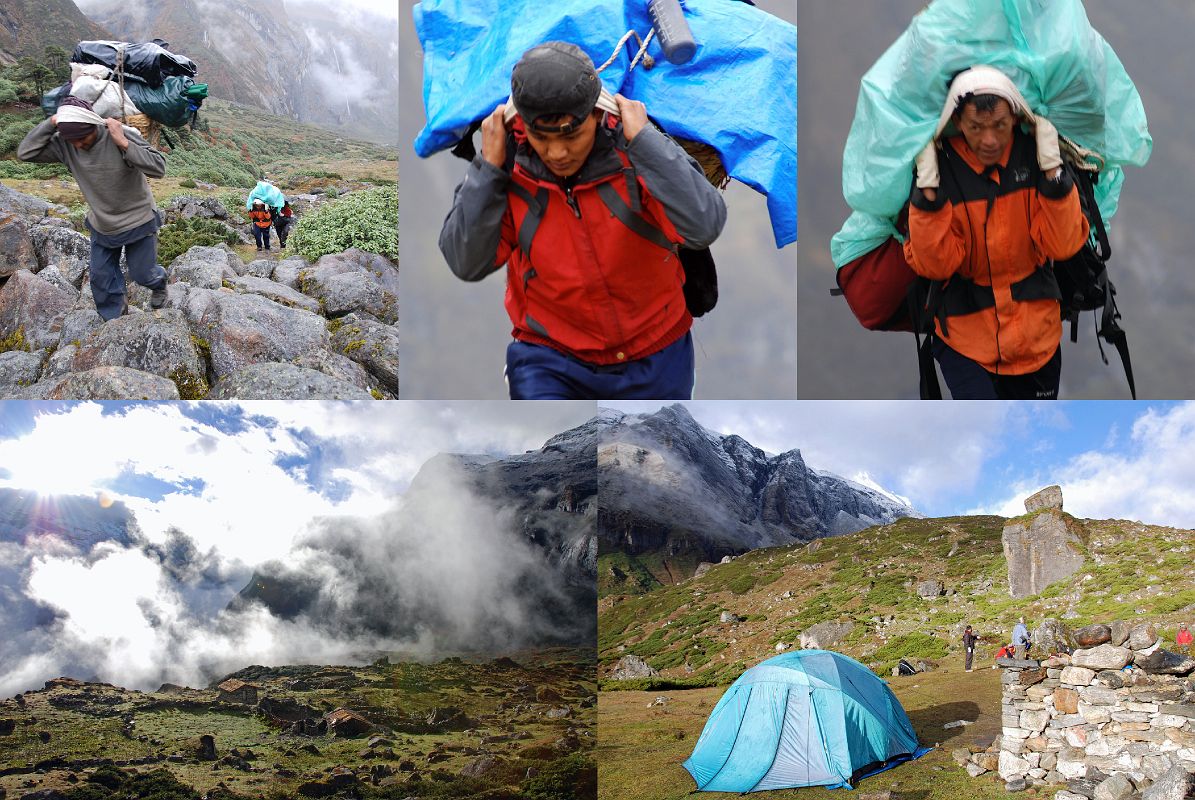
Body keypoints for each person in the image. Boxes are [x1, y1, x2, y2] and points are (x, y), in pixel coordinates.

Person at [439, 41, 727, 400]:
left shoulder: (637, 156)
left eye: (571, 135)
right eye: (540, 137)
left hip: (658, 353)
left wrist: (647, 144)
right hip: (550, 358)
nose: (557, 152)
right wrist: (487, 168)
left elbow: (704, 225)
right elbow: (466, 261)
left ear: (595, 114)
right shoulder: (507, 170)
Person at [904, 65, 1090, 400]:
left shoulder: (1036, 160)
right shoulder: (940, 171)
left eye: (1000, 126)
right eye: (976, 127)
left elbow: (1062, 245)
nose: (989, 140)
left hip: (1038, 343)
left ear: (1017, 119)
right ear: (957, 123)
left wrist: (1053, 174)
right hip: (965, 342)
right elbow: (936, 265)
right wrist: (929, 193)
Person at [18, 97, 169, 320]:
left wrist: (124, 143)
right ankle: (115, 320)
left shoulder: (120, 135)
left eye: (83, 138)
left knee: (142, 274)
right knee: (101, 277)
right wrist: (51, 122)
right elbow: (25, 153)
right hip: (103, 223)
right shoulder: (65, 145)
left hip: (138, 219)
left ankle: (159, 280)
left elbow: (158, 167)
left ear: (94, 126)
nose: (79, 145)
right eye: (73, 141)